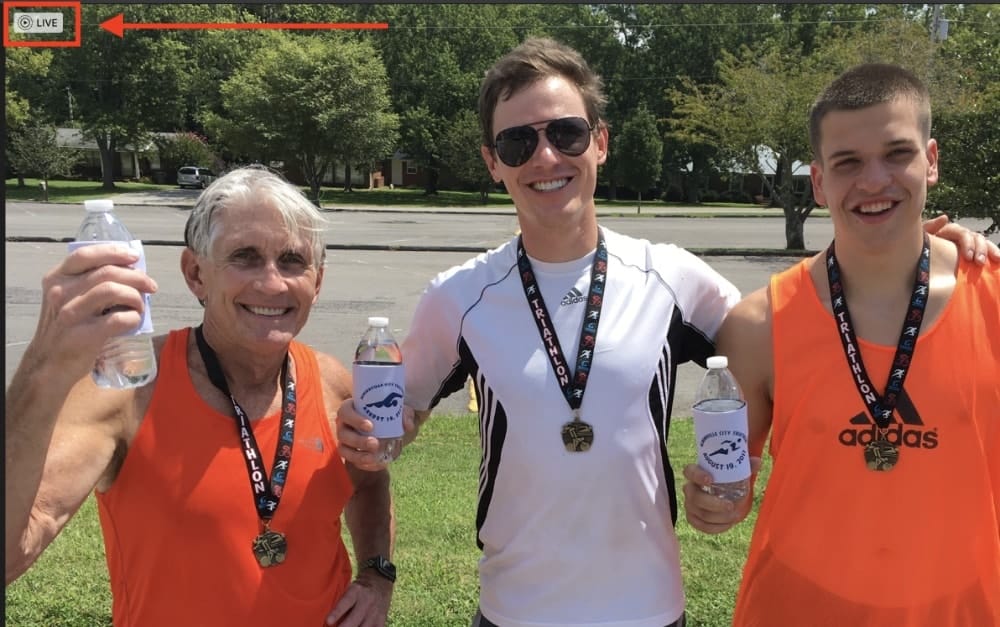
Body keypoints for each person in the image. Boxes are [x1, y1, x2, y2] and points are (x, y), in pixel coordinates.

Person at [336, 40, 998, 627]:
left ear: (600, 141)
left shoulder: (674, 277)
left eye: (566, 134)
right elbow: (400, 418)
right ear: (492, 161)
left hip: (650, 607)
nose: (545, 156)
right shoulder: (457, 298)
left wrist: (917, 253)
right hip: (513, 609)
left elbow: (795, 324)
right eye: (518, 142)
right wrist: (372, 437)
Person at [5, 167, 395, 627]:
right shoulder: (128, 389)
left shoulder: (334, 384)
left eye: (292, 261)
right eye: (245, 257)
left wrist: (377, 572)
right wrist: (41, 366)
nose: (272, 283)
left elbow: (369, 480)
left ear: (318, 280)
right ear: (195, 274)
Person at [683, 63, 1000, 625]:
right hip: (793, 607)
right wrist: (711, 503)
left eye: (896, 154)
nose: (873, 180)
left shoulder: (993, 298)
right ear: (820, 181)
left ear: (931, 161)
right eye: (848, 162)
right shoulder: (757, 325)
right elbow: (730, 490)